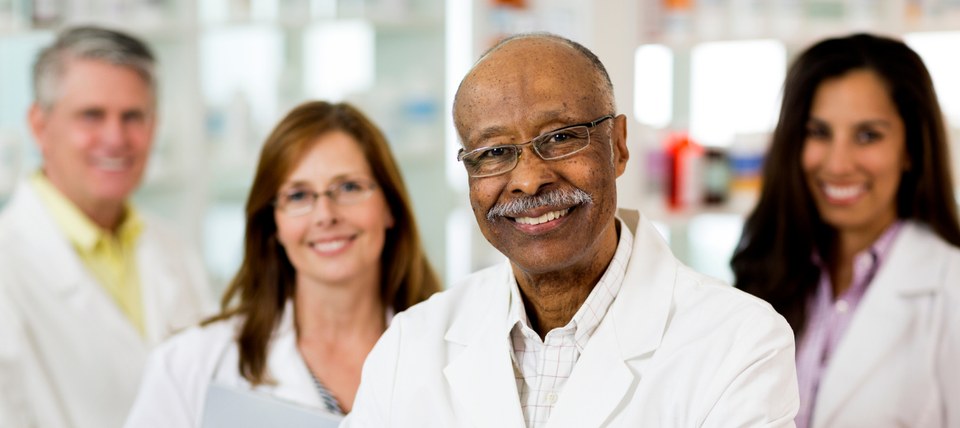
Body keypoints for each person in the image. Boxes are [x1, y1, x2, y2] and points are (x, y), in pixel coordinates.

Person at [343, 32, 799, 427]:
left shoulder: (739, 343)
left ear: (618, 146)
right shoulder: (411, 343)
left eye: (561, 137)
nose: (527, 178)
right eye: (494, 152)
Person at [123, 100, 441, 426]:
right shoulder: (191, 364)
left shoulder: (447, 352)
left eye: (348, 187)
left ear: (389, 206)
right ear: (273, 224)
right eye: (299, 196)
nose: (325, 215)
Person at [730, 33, 960, 428]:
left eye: (868, 135)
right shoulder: (767, 274)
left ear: (911, 149)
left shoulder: (950, 288)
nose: (837, 164)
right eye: (818, 133)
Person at [0, 26, 213, 428]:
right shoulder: (8, 265)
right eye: (91, 115)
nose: (116, 138)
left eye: (133, 116)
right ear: (39, 125)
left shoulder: (173, 249)